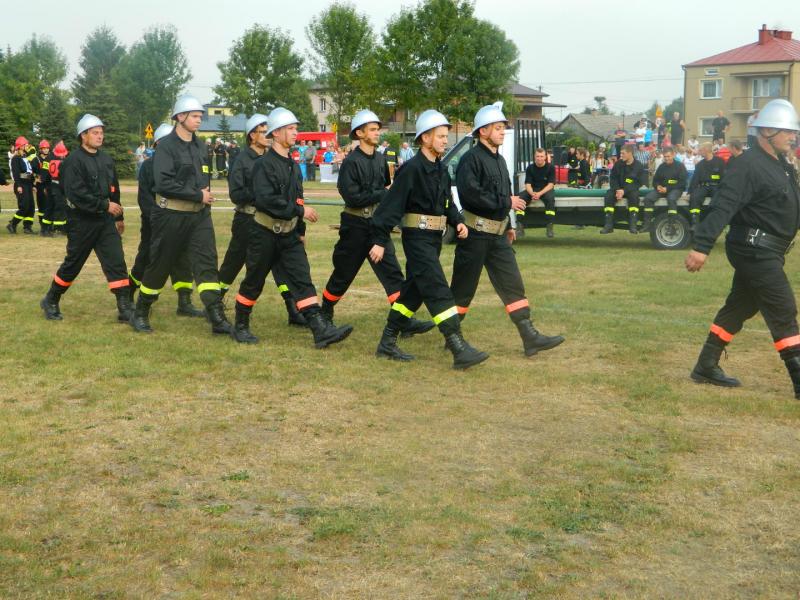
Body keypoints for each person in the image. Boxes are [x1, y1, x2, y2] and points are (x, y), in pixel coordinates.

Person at [684, 99, 800, 399]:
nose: (793, 137)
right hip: (753, 250)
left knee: (741, 305)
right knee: (783, 309)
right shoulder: (746, 165)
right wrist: (701, 246)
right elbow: (723, 205)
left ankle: (705, 366)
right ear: (767, 132)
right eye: (788, 131)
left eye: (794, 132)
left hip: (767, 250)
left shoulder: (781, 165)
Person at [369, 109, 487, 369]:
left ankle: (387, 342)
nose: (445, 140)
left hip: (433, 240)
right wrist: (379, 240)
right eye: (441, 136)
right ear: (425, 138)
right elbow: (390, 207)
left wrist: (458, 221)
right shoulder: (410, 170)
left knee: (413, 292)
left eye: (446, 136)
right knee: (437, 288)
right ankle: (458, 347)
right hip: (416, 240)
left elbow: (447, 203)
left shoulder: (441, 169)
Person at [230, 107, 353, 348]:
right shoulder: (263, 165)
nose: (296, 132)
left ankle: (320, 330)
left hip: (289, 235)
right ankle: (240, 326)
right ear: (276, 133)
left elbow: (298, 199)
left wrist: (300, 231)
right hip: (263, 233)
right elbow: (266, 200)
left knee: (302, 278)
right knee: (254, 281)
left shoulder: (293, 166)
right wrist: (299, 211)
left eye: (296, 128)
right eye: (290, 128)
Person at [449, 102, 564, 360]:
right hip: (475, 235)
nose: (502, 132)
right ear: (483, 131)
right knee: (463, 289)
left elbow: (504, 195)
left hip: (499, 235)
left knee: (513, 284)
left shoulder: (500, 160)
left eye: (503, 127)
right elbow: (472, 196)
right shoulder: (470, 159)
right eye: (498, 128)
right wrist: (506, 203)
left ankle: (529, 337)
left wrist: (509, 225)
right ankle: (452, 337)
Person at [320, 108, 435, 338]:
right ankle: (325, 313)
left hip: (377, 224)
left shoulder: (381, 160)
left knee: (393, 273)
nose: (377, 133)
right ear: (359, 133)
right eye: (372, 129)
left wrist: (386, 201)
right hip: (354, 225)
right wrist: (383, 193)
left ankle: (403, 321)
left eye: (377, 129)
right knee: (343, 273)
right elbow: (352, 197)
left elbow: (386, 191)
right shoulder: (351, 162)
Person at [129, 95, 232, 335]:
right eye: (194, 116)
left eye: (200, 116)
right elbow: (163, 184)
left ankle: (216, 316)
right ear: (180, 117)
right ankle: (140, 312)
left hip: (199, 216)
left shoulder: (200, 146)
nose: (199, 120)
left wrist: (203, 200)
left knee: (207, 263)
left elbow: (203, 178)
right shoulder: (166, 147)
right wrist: (197, 195)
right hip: (171, 216)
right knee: (160, 265)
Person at [39, 114, 133, 322]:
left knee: (116, 261)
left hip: (105, 221)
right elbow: (76, 193)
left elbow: (114, 189)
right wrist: (104, 205)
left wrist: (119, 216)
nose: (100, 136)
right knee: (73, 264)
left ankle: (124, 307)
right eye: (95, 133)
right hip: (82, 222)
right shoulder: (72, 161)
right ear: (83, 135)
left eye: (101, 133)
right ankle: (51, 299)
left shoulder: (106, 159)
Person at [218, 113, 306, 327]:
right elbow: (236, 194)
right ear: (252, 135)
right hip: (247, 219)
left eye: (268, 131)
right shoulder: (242, 160)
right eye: (262, 131)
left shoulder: (273, 159)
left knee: (280, 266)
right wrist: (261, 192)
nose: (267, 135)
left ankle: (292, 308)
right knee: (234, 263)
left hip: (270, 221)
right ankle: (214, 303)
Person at [128, 123, 204, 318]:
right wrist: (156, 219)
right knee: (146, 258)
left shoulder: (179, 163)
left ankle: (184, 302)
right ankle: (128, 295)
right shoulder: (148, 166)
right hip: (154, 222)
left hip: (178, 220)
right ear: (157, 145)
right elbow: (145, 198)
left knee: (182, 260)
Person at [600, 143, 647, 234]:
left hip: (630, 190)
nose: (621, 155)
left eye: (623, 153)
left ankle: (633, 225)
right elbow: (613, 178)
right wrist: (618, 190)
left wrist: (624, 191)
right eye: (620, 153)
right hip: (617, 189)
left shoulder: (638, 166)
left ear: (630, 153)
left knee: (634, 197)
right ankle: (608, 225)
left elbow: (638, 183)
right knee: (609, 196)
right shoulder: (618, 164)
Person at [642, 146, 687, 231]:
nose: (666, 158)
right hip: (661, 190)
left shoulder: (680, 166)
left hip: (676, 189)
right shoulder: (661, 167)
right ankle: (647, 224)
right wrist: (657, 186)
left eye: (668, 156)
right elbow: (655, 181)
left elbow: (682, 183)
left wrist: (667, 189)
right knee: (648, 199)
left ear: (673, 155)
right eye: (665, 156)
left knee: (671, 198)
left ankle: (672, 224)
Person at [688, 142, 724, 230]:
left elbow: (724, 177)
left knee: (718, 200)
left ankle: (715, 223)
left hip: (716, 187)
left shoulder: (720, 162)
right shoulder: (700, 164)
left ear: (706, 150)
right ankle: (695, 222)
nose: (699, 152)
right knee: (695, 197)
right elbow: (695, 179)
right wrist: (690, 192)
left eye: (701, 150)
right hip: (703, 187)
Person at [522, 148, 556, 237]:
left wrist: (539, 193)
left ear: (545, 157)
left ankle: (549, 227)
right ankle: (519, 226)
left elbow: (551, 185)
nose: (539, 158)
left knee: (550, 199)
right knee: (521, 198)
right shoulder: (530, 168)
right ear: (534, 157)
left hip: (545, 190)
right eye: (537, 156)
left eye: (541, 156)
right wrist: (532, 193)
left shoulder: (551, 168)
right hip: (533, 190)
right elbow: (527, 184)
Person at [7, 137, 36, 234]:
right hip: (21, 185)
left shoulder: (25, 157)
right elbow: (16, 174)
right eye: (25, 145)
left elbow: (29, 172)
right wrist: (19, 185)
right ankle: (12, 224)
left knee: (31, 207)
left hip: (28, 184)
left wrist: (33, 184)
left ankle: (27, 227)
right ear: (20, 147)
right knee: (24, 206)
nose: (27, 146)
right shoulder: (15, 159)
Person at [47, 141, 69, 235]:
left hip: (53, 186)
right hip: (60, 188)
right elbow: (63, 178)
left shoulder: (52, 162)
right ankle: (59, 228)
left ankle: (54, 227)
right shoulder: (62, 163)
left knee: (56, 207)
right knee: (60, 208)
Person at [31, 140, 52, 235]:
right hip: (40, 185)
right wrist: (36, 178)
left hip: (49, 184)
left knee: (49, 205)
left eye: (47, 148)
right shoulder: (36, 160)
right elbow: (31, 172)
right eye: (44, 148)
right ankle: (42, 226)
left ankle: (49, 226)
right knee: (42, 206)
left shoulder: (51, 158)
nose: (46, 150)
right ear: (40, 149)